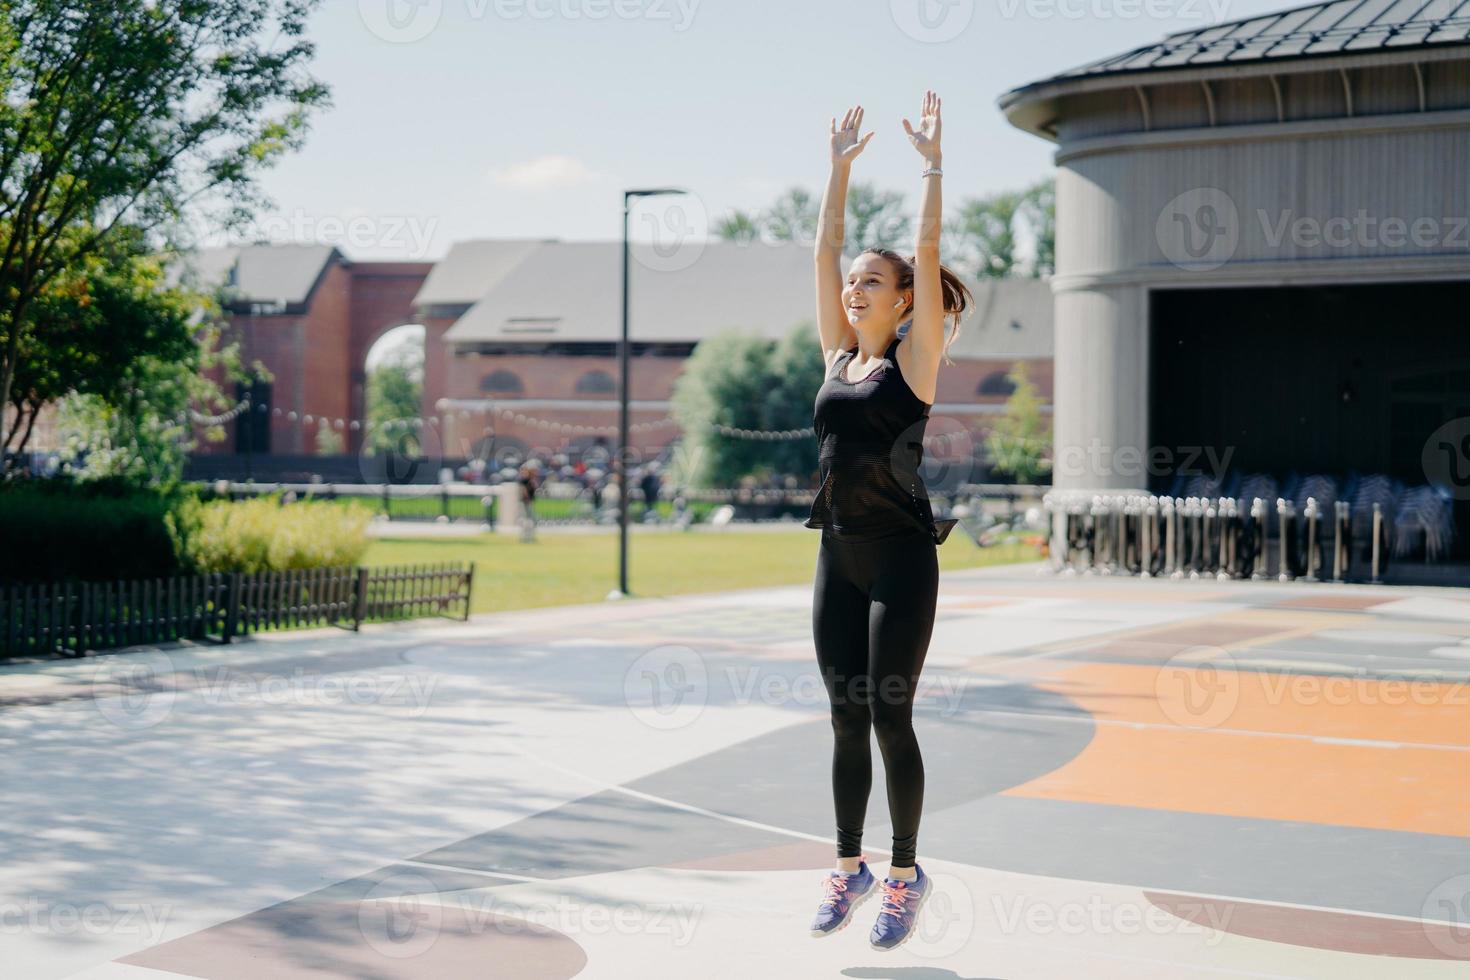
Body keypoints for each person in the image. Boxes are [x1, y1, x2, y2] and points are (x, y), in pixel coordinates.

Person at [803, 92, 971, 952]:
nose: (853, 284)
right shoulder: (838, 351)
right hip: (839, 555)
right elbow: (824, 246)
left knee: (888, 717)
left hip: (903, 560)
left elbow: (931, 247)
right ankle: (849, 866)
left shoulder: (914, 359)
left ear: (906, 301)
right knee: (841, 715)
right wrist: (839, 167)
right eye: (853, 280)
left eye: (873, 279)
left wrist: (932, 167)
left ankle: (906, 874)